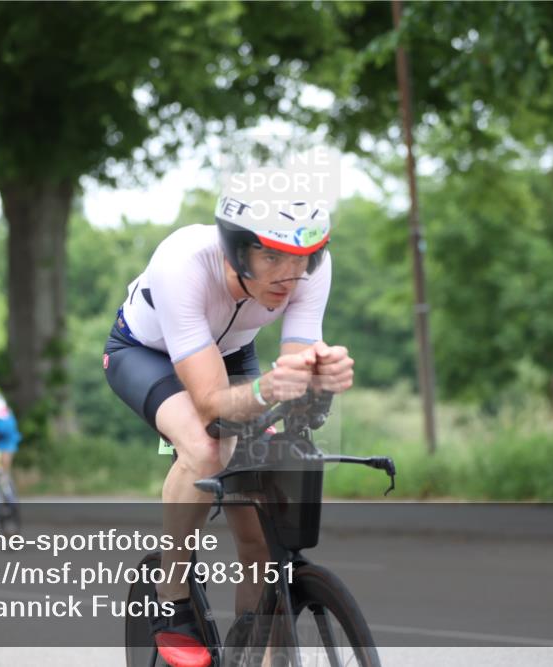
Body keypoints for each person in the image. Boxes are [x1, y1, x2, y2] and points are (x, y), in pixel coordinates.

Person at [103, 169, 354, 667]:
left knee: (261, 515)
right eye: (272, 256)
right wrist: (268, 390)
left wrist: (318, 381)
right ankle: (171, 596)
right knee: (206, 448)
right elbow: (211, 404)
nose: (290, 274)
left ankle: (253, 650)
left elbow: (293, 375)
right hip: (146, 353)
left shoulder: (309, 269)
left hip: (233, 354)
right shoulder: (182, 264)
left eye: (302, 258)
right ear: (237, 251)